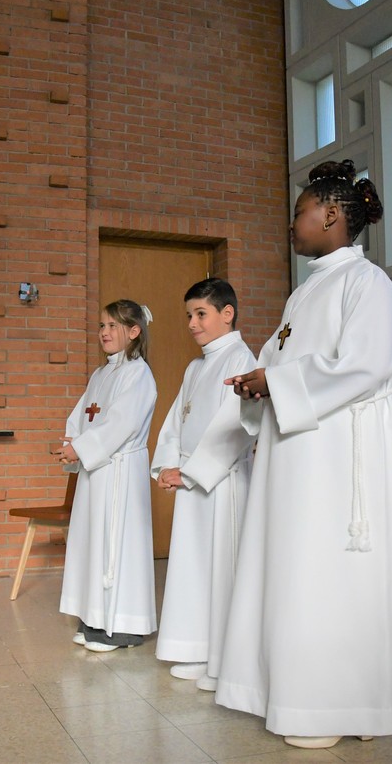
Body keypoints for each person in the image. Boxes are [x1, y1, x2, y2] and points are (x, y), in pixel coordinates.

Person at [215, 160, 392, 748]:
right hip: (299, 455)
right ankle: (304, 697)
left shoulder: (368, 284)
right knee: (299, 570)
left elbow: (367, 366)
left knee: (332, 573)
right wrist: (257, 382)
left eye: (300, 212)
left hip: (341, 460)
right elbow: (284, 358)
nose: (293, 223)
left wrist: (278, 384)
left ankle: (349, 704)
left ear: (332, 215)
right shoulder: (306, 290)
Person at [151, 278, 255, 690]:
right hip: (192, 478)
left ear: (226, 314)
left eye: (201, 314)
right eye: (189, 316)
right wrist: (166, 464)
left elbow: (236, 425)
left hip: (222, 479)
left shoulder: (240, 358)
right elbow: (178, 417)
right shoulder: (196, 366)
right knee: (194, 566)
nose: (192, 324)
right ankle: (197, 647)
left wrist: (193, 472)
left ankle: (224, 658)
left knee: (221, 565)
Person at [54, 300, 157, 651]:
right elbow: (83, 415)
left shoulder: (138, 373)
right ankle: (94, 617)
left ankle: (121, 626)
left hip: (119, 471)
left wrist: (82, 448)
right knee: (92, 542)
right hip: (95, 472)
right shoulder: (100, 375)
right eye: (101, 326)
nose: (104, 333)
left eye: (113, 326)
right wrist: (71, 443)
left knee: (116, 543)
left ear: (134, 332)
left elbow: (122, 424)